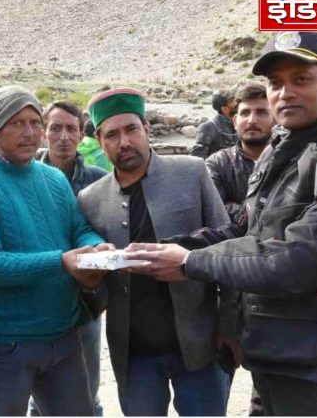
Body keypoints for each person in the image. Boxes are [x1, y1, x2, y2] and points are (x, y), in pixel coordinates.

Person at [126, 31, 317, 416]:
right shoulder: (282, 148)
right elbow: (250, 233)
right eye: (275, 83)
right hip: (275, 355)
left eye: (301, 79)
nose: (285, 93)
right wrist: (167, 247)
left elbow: (307, 258)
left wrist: (191, 264)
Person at [77, 88, 234, 416]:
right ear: (99, 141)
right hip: (134, 356)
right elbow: (93, 281)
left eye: (131, 129)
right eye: (112, 134)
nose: (124, 142)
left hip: (199, 345)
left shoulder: (191, 172)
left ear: (146, 129)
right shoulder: (90, 199)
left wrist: (231, 326)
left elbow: (228, 248)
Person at [0, 85, 108, 416]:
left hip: (64, 334)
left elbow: (77, 228)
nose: (29, 132)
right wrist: (62, 261)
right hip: (4, 343)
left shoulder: (54, 179)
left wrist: (93, 245)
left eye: (34, 122)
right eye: (15, 123)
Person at [36, 100, 108, 416]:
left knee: (86, 390)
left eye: (71, 129)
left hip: (85, 302)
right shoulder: (23, 175)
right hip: (35, 298)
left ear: (81, 135)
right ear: (43, 133)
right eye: (55, 128)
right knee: (39, 395)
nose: (63, 136)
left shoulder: (99, 180)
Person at [206, 83, 274, 224]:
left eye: (261, 112)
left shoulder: (292, 160)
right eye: (245, 113)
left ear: (275, 119)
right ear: (235, 121)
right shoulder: (217, 164)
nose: (252, 120)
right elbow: (214, 209)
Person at [190, 86, 239, 158]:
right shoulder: (208, 128)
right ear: (225, 109)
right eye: (233, 100)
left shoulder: (241, 125)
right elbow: (197, 159)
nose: (238, 103)